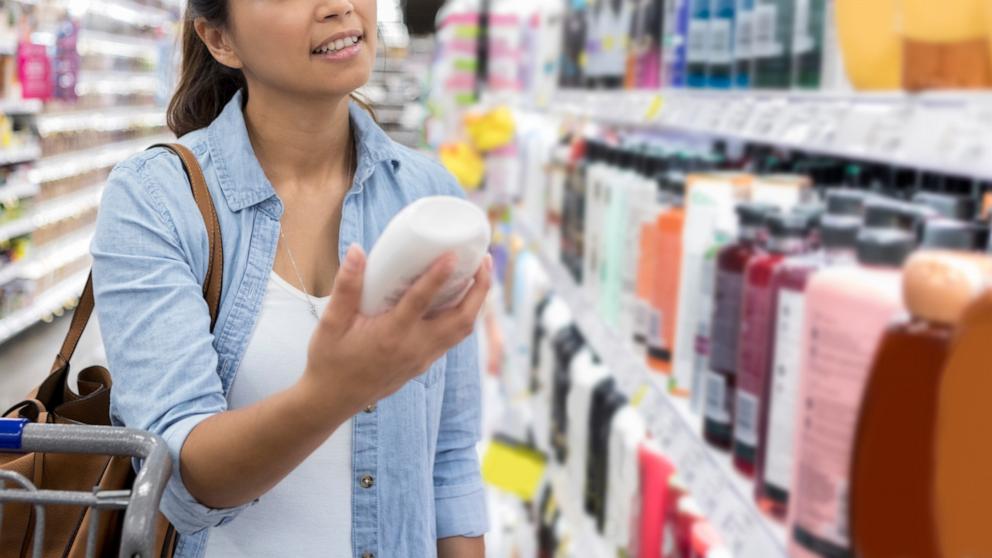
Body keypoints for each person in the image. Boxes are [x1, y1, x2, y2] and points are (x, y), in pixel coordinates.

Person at [89, 0, 491, 555]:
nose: (340, 7)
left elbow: (448, 463)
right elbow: (181, 480)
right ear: (219, 39)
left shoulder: (427, 197)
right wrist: (334, 392)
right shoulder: (157, 200)